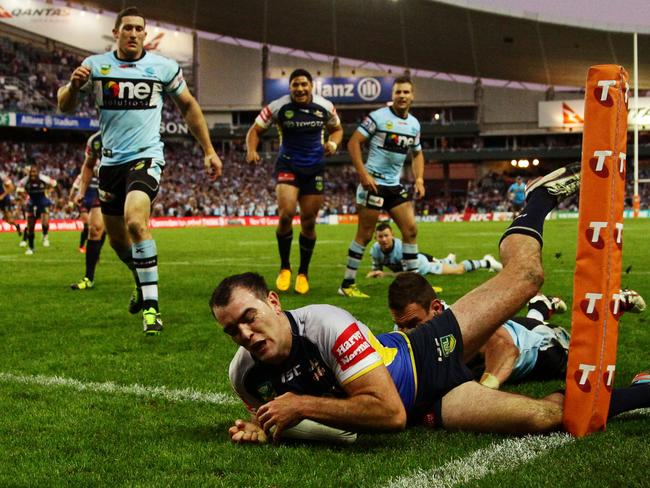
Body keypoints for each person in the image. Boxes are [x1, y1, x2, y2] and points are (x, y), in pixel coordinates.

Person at [212, 163, 650, 445]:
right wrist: (266, 429)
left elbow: (388, 413)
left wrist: (300, 406)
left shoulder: (326, 323)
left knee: (527, 277)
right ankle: (645, 389)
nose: (245, 334)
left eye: (249, 318)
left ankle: (535, 200)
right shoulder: (245, 376)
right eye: (232, 330)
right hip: (433, 405)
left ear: (273, 302)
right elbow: (299, 423)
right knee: (547, 417)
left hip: (427, 349)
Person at [57, 7, 222, 334]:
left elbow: (188, 105)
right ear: (116, 33)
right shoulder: (95, 66)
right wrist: (74, 87)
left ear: (145, 35)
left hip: (146, 156)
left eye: (139, 29)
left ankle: (152, 310)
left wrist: (209, 150)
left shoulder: (162, 67)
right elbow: (64, 105)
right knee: (118, 241)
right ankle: (139, 280)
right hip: (110, 163)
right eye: (128, 28)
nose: (134, 33)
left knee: (136, 221)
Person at [387, 272, 647, 390]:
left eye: (412, 324)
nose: (405, 332)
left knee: (593, 365)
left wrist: (486, 389)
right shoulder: (413, 327)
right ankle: (540, 307)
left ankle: (612, 307)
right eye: (400, 325)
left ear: (436, 309)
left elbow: (506, 349)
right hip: (516, 325)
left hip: (539, 349)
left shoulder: (460, 328)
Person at [246, 68, 343, 295]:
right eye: (295, 85)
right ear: (290, 87)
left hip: (314, 169)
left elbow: (337, 129)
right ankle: (284, 267)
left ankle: (303, 273)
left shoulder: (325, 107)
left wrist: (333, 144)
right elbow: (255, 130)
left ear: (311, 86)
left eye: (303, 84)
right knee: (286, 214)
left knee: (309, 222)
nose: (299, 89)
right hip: (288, 166)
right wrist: (251, 149)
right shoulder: (278, 106)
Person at [339, 76, 425, 298]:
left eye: (406, 92)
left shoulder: (414, 124)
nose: (402, 96)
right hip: (374, 184)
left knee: (411, 230)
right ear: (392, 95)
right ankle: (347, 285)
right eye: (398, 92)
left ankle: (414, 287)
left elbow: (417, 153)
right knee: (365, 235)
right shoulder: (378, 117)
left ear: (412, 95)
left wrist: (419, 179)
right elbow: (353, 142)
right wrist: (363, 174)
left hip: (394, 185)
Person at [366, 222, 502, 279]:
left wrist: (386, 275)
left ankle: (487, 262)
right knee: (443, 262)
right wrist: (374, 274)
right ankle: (448, 259)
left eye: (386, 236)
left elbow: (410, 275)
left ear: (392, 235)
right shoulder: (375, 250)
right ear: (375, 238)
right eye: (380, 236)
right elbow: (376, 269)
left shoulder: (401, 248)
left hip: (422, 266)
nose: (383, 239)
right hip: (419, 258)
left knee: (458, 270)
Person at [70, 131, 106, 291]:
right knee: (94, 228)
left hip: (128, 188)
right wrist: (80, 192)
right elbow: (88, 166)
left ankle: (143, 283)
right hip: (104, 191)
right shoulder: (96, 141)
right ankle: (89, 278)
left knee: (128, 233)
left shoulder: (131, 132)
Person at [17, 165, 57, 255]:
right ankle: (31, 248)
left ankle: (45, 236)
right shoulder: (25, 180)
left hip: (43, 202)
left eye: (35, 172)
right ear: (29, 173)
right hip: (31, 203)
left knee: (45, 223)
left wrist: (48, 190)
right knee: (30, 227)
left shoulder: (43, 178)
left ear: (38, 172)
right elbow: (18, 190)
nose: (33, 174)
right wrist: (25, 197)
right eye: (31, 172)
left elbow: (54, 183)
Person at [0, 171, 22, 237]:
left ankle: (16, 225)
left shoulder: (2, 176)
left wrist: (2, 196)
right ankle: (16, 225)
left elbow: (11, 187)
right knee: (6, 220)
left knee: (9, 219)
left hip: (4, 200)